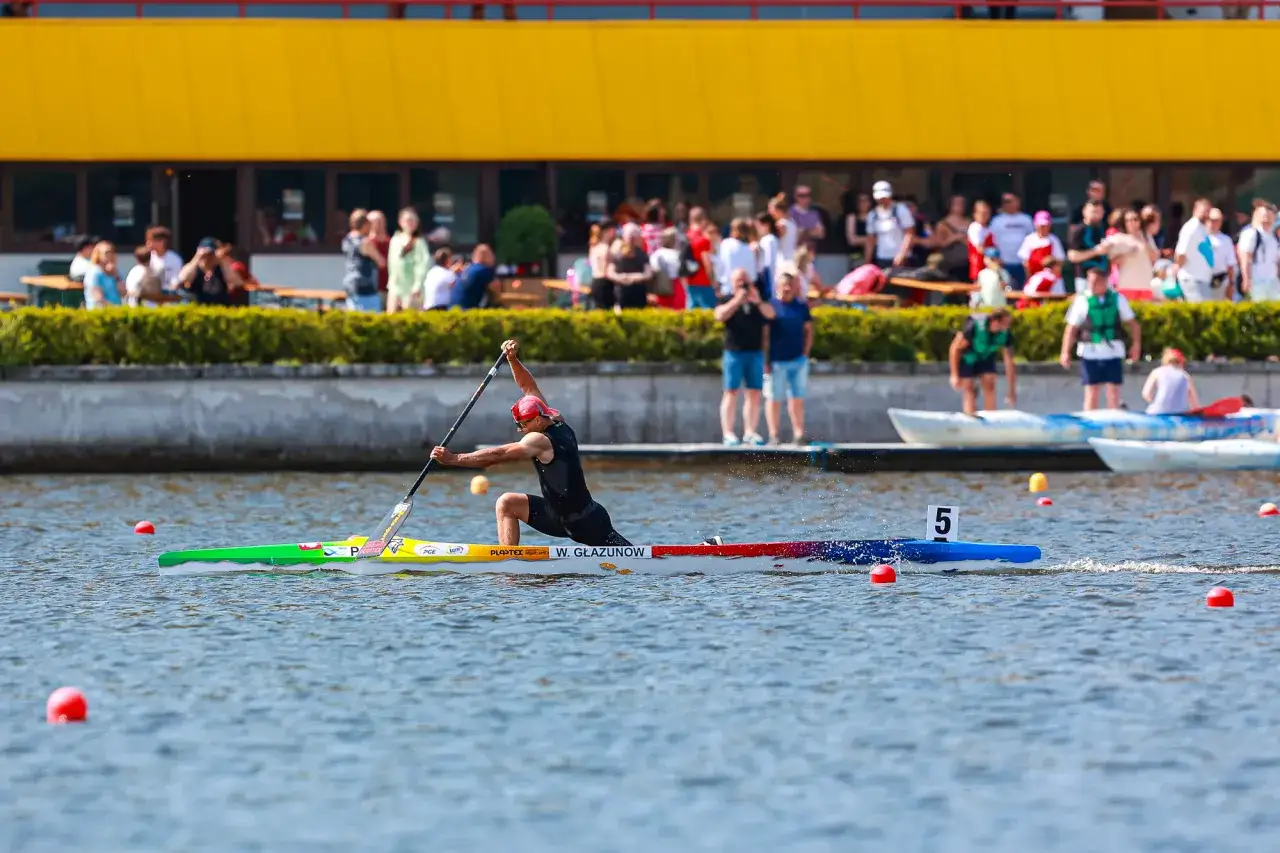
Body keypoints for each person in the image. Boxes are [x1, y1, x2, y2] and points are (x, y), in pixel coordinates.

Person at [428, 339, 631, 548]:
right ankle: (509, 562)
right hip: (557, 517)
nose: (519, 429)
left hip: (585, 522)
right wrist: (512, 359)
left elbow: (498, 455)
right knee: (506, 503)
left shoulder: (539, 440)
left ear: (536, 420)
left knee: (630, 557)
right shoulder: (553, 418)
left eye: (522, 424)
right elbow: (528, 387)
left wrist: (453, 459)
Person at [1060, 266, 1142, 410]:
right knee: (1092, 391)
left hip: (1113, 352)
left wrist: (1136, 345)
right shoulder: (1082, 300)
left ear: (1105, 282)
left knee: (1113, 392)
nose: (1092, 285)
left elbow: (1133, 324)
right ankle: (1090, 423)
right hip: (1090, 352)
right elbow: (1071, 328)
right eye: (1090, 281)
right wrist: (1065, 351)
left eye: (1096, 281)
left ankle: (1113, 421)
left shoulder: (1118, 299)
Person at [714, 268, 776, 446]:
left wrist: (756, 301)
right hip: (734, 352)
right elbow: (719, 315)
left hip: (755, 352)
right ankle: (728, 433)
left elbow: (771, 314)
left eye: (745, 281)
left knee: (754, 393)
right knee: (731, 392)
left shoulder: (758, 300)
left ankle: (750, 431)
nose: (743, 285)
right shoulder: (726, 299)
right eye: (739, 282)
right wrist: (737, 300)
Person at [764, 268, 813, 445]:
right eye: (784, 285)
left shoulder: (801, 307)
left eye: (790, 285)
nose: (787, 289)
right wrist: (766, 360)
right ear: (778, 286)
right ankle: (773, 435)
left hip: (798, 361)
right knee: (774, 399)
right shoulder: (772, 307)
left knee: (797, 398)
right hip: (777, 361)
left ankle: (799, 434)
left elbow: (809, 330)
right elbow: (765, 336)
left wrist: (805, 353)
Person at [949, 309, 1016, 415]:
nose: (1007, 327)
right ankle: (970, 416)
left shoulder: (1005, 335)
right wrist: (954, 374)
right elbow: (955, 348)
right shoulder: (974, 326)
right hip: (968, 356)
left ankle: (990, 418)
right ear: (994, 321)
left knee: (990, 384)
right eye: (1005, 324)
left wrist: (1012, 391)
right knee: (969, 388)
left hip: (986, 356)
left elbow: (1009, 363)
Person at [386, 207, 431, 313]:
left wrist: (417, 285)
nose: (411, 223)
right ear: (400, 222)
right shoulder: (395, 240)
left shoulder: (419, 242)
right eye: (408, 220)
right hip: (395, 286)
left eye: (414, 221)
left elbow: (422, 265)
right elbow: (391, 263)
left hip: (412, 288)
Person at [341, 209, 385, 312]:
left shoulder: (347, 239)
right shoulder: (364, 242)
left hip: (351, 283)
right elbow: (381, 262)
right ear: (365, 224)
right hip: (365, 285)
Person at [1173, 198, 1215, 303]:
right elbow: (1181, 253)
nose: (1206, 214)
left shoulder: (1202, 228)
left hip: (1202, 279)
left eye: (1208, 211)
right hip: (1192, 279)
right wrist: (1178, 267)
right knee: (1199, 313)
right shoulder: (1191, 228)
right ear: (1195, 210)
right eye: (1203, 211)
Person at [178, 238, 243, 305]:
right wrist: (196, 258)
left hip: (219, 308)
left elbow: (237, 283)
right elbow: (182, 279)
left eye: (212, 254)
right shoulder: (194, 268)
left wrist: (222, 261)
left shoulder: (221, 268)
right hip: (197, 308)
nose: (209, 258)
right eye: (206, 255)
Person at [1237, 201, 1280, 302]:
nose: (1267, 217)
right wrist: (1246, 278)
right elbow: (1245, 257)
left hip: (1273, 280)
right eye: (1264, 214)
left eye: (1270, 214)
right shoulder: (1251, 233)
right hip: (1257, 280)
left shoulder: (1274, 237)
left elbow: (1276, 261)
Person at [1142, 348, 1199, 414]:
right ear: (1181, 362)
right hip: (1179, 415)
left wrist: (1155, 402)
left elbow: (1146, 394)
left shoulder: (1157, 371)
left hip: (1158, 412)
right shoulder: (1186, 376)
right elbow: (1195, 404)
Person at [452, 244, 497, 309]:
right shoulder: (484, 270)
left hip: (452, 309)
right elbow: (495, 288)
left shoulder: (467, 269)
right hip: (468, 311)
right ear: (487, 256)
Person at [83, 241, 123, 309]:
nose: (110, 255)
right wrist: (115, 308)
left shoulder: (114, 271)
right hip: (99, 312)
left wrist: (116, 275)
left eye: (112, 252)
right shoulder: (94, 272)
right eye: (107, 253)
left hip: (116, 311)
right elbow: (98, 297)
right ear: (98, 254)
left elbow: (123, 292)